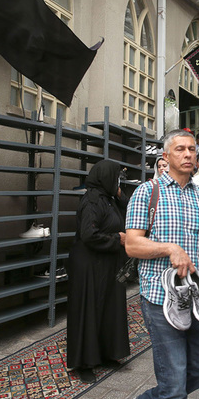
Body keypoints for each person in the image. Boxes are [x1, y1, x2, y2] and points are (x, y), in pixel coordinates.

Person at [126, 129, 199, 399]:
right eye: (180, 149)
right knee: (173, 383)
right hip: (160, 299)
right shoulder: (147, 192)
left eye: (192, 149)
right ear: (166, 156)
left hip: (197, 298)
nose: (188, 154)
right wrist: (169, 248)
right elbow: (132, 244)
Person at [66, 160, 130, 382]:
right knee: (89, 312)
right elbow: (88, 235)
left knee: (107, 309)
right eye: (115, 177)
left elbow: (128, 209)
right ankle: (83, 363)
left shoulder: (108, 198)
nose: (117, 181)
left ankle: (105, 354)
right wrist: (117, 238)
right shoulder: (92, 201)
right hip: (88, 266)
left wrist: (119, 193)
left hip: (106, 263)